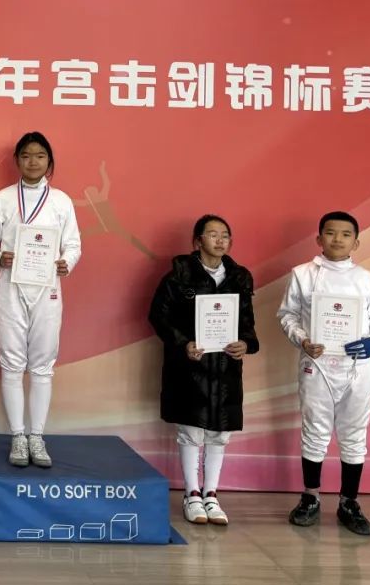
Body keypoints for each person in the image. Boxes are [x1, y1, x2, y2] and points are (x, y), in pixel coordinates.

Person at [278, 211, 370, 536]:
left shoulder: (368, 280)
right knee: (314, 431)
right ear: (319, 239)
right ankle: (310, 498)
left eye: (345, 234)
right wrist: (302, 340)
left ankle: (349, 502)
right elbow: (287, 315)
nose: (337, 239)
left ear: (356, 242)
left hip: (357, 369)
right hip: (317, 366)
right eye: (330, 233)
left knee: (354, 435)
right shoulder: (303, 274)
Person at [0, 132, 81, 467]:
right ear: (16, 161)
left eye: (39, 156)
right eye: (26, 155)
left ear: (49, 161)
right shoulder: (3, 199)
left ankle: (37, 436)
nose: (32, 161)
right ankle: (18, 437)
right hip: (11, 287)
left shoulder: (61, 201)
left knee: (42, 364)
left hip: (47, 290)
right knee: (11, 361)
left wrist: (67, 262)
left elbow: (74, 245)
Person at [148, 215, 257, 525]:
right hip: (190, 366)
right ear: (197, 241)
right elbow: (158, 316)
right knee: (191, 430)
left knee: (220, 433)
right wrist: (183, 344)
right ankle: (191, 494)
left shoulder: (239, 277)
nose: (220, 240)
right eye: (212, 234)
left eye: (225, 235)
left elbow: (247, 323)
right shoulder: (178, 276)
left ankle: (211, 494)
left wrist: (246, 344)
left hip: (225, 367)